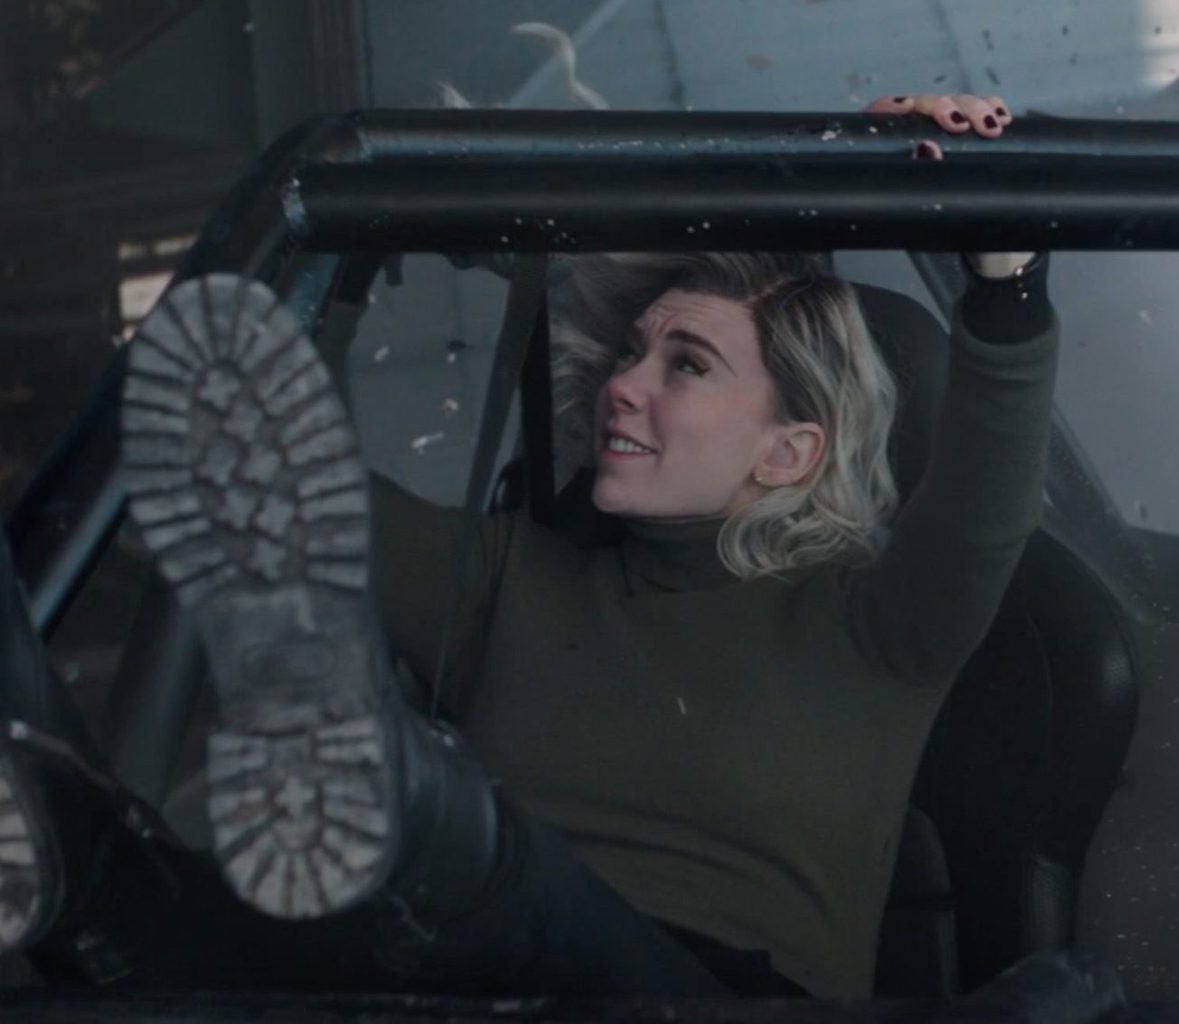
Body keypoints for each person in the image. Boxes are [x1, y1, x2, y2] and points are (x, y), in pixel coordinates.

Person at [0, 93, 1043, 999]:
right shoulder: (514, 580)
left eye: (684, 364)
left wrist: (999, 263)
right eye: (631, 350)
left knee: (487, 875)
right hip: (457, 989)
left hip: (711, 1003)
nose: (622, 383)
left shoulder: (875, 626)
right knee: (194, 907)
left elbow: (986, 503)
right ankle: (80, 855)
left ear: (788, 450)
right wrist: (335, 267)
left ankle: (405, 814)